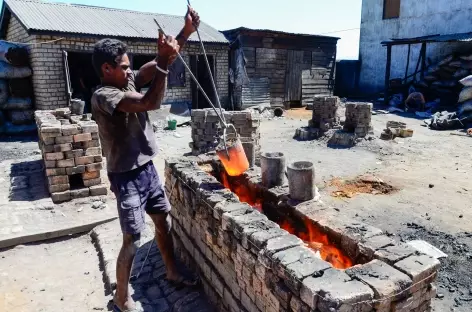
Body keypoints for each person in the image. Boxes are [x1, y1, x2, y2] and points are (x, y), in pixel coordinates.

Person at [91, 6, 200, 312]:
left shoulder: (123, 80)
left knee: (163, 222)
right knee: (133, 238)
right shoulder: (104, 96)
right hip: (125, 176)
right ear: (106, 70)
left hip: (146, 169)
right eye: (123, 67)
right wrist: (164, 60)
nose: (129, 72)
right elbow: (151, 101)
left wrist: (185, 33)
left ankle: (172, 271)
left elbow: (156, 64)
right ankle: (121, 297)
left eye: (129, 67)